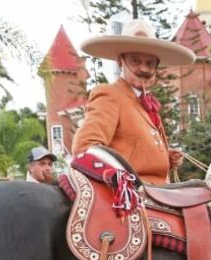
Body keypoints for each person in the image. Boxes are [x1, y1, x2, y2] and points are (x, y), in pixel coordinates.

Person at [73, 19, 195, 185]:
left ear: (156, 67)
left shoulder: (146, 104)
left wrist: (166, 157)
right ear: (120, 62)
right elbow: (85, 148)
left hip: (159, 194)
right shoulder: (110, 94)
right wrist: (123, 184)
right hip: (135, 197)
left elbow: (134, 150)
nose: (143, 69)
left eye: (149, 63)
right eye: (135, 61)